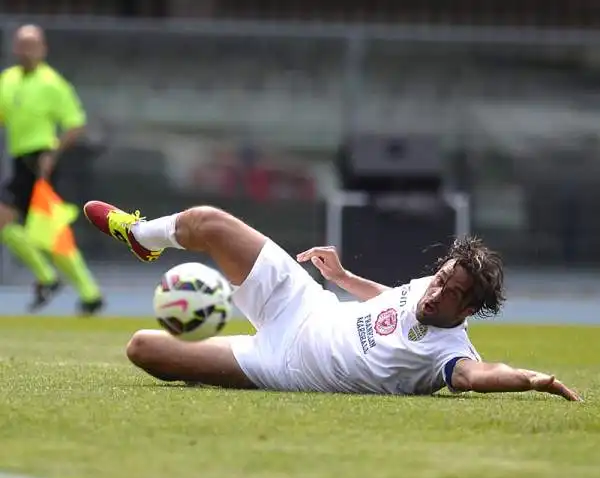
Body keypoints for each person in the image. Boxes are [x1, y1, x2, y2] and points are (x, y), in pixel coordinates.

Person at [83, 199, 582, 401]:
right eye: (439, 279)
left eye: (451, 293)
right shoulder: (424, 292)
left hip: (280, 364)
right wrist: (343, 277)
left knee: (142, 349)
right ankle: (143, 234)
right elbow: (393, 299)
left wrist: (532, 379)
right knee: (209, 222)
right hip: (302, 304)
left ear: (468, 310)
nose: (436, 292)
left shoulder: (449, 354)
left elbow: (477, 376)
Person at [0, 24, 104, 314]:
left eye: (31, 44)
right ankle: (85, 291)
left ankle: (57, 281)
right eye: (21, 44)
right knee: (48, 232)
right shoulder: (7, 80)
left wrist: (54, 153)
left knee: (32, 227)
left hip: (42, 162)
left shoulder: (52, 83)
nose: (25, 50)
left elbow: (76, 123)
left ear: (43, 49)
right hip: (21, 162)